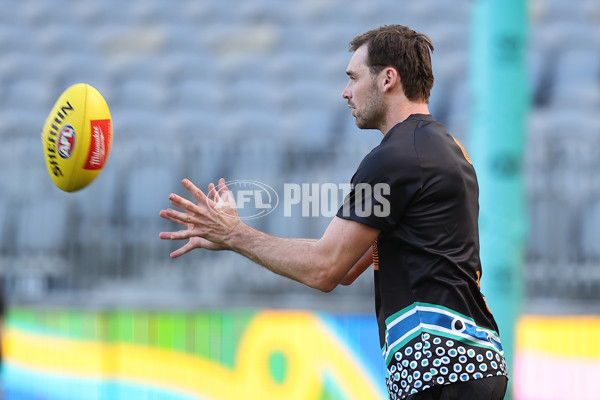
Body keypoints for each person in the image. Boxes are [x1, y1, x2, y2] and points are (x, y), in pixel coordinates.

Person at [159, 24, 508, 400]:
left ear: (388, 78)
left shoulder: (397, 157)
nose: (345, 92)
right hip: (469, 362)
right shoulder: (446, 148)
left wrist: (234, 234)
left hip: (442, 368)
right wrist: (234, 236)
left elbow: (324, 269)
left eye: (353, 78)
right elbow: (343, 266)